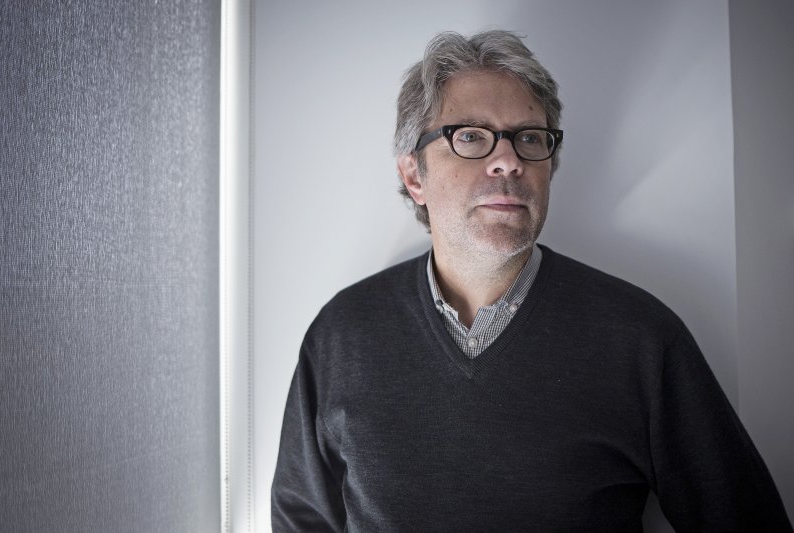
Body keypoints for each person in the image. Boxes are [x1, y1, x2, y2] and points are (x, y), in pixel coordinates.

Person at [271, 29, 792, 532]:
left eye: (529, 138)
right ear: (414, 176)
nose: (508, 161)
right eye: (470, 136)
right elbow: (301, 520)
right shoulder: (341, 335)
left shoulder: (640, 339)